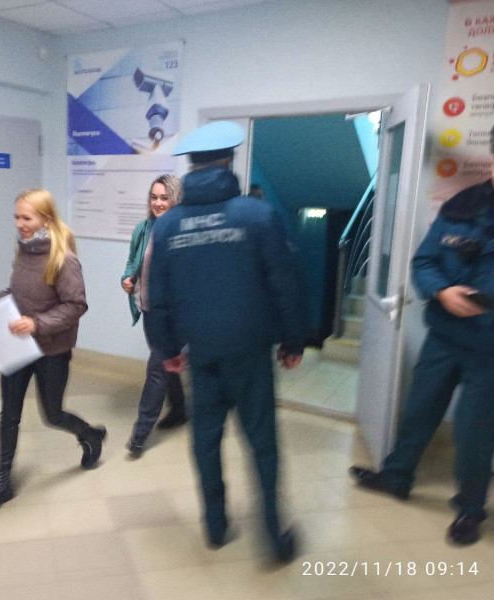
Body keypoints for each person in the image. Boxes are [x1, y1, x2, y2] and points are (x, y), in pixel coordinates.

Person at [144, 121, 307, 562]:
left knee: (205, 439)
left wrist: (167, 350)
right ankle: (273, 537)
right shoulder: (258, 215)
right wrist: (294, 340)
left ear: (191, 168)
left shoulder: (168, 226)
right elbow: (286, 283)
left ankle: (215, 527)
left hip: (201, 354)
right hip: (250, 353)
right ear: (229, 161)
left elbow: (157, 296)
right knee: (262, 442)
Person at [350, 119, 494, 545]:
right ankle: (397, 477)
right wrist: (441, 290)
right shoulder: (462, 206)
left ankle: (470, 509)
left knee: (474, 433)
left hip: (493, 347)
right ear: (492, 164)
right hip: (445, 336)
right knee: (418, 412)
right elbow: (423, 261)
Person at [0, 189, 107, 515]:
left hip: (52, 350)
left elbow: (76, 306)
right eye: (16, 217)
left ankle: (89, 434)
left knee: (53, 414)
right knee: (9, 414)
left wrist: (37, 323)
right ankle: (2, 481)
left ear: (46, 220)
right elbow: (19, 292)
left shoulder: (63, 259)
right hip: (17, 347)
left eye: (26, 218)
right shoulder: (24, 251)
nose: (19, 224)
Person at [121, 174, 188, 457]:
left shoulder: (183, 231)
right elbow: (132, 262)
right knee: (166, 364)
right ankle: (179, 409)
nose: (158, 203)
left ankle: (140, 433)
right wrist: (127, 279)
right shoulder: (143, 229)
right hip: (149, 309)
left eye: (164, 198)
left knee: (156, 369)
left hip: (174, 315)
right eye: (154, 197)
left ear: (176, 200)